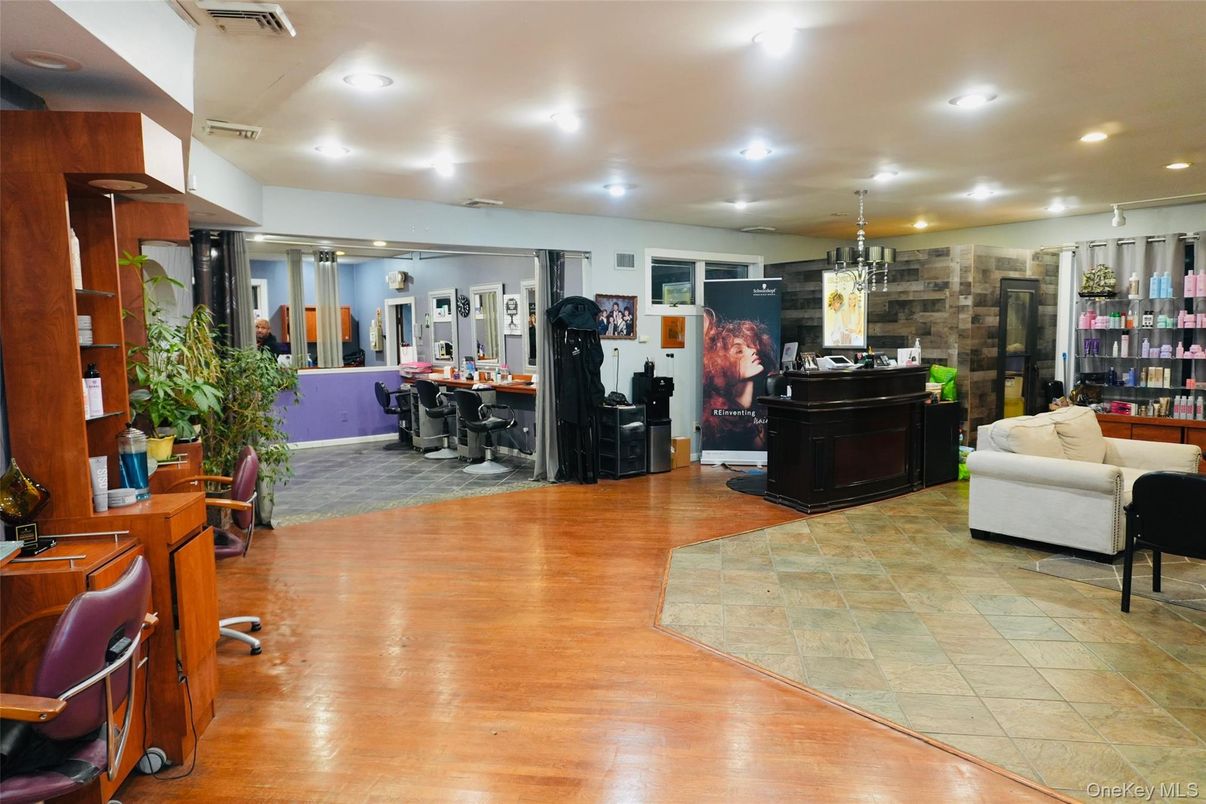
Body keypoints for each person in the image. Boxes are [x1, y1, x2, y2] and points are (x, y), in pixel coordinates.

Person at [701, 309, 777, 452]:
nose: (753, 350)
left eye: (752, 345)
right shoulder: (715, 422)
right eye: (739, 351)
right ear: (720, 363)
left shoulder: (763, 409)